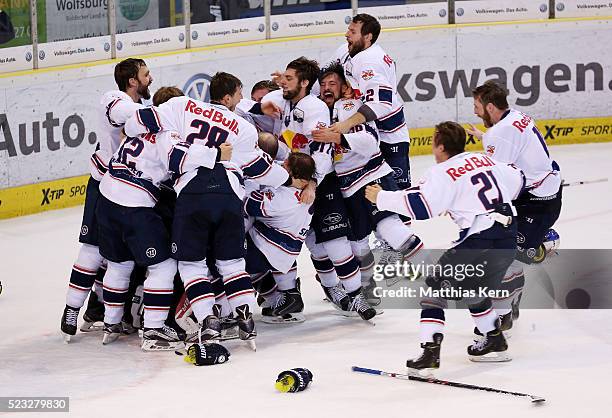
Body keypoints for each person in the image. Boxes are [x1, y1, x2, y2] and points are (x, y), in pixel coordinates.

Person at [123, 72, 289, 350]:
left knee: (191, 265)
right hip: (229, 192)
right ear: (230, 98)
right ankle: (245, 319)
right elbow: (260, 169)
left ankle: (208, 320)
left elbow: (134, 125)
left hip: (192, 194)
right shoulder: (242, 126)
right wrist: (290, 178)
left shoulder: (179, 106)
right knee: (233, 264)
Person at [365, 121, 525, 370]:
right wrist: (462, 199)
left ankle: (430, 351)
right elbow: (518, 180)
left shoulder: (441, 172)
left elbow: (421, 207)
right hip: (508, 234)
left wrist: (381, 197)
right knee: (473, 287)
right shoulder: (483, 159)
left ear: (440, 145)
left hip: (481, 237)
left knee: (433, 289)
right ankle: (494, 339)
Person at [254, 57, 372, 320]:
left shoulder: (314, 107)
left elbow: (322, 150)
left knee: (335, 242)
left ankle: (355, 295)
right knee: (309, 242)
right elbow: (266, 100)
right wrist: (275, 89)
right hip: (293, 181)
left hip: (318, 180)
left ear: (305, 83)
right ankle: (324, 290)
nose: (283, 83)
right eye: (282, 78)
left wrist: (313, 183)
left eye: (289, 79)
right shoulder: (286, 101)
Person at [313, 63, 423, 312]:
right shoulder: (318, 111)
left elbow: (370, 141)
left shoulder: (349, 107)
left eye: (332, 84)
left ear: (344, 87)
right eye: (323, 84)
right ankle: (367, 287)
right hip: (347, 188)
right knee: (358, 243)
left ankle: (431, 270)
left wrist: (339, 137)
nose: (326, 88)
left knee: (388, 226)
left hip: (370, 177)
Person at [61, 58, 153, 342]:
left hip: (131, 190)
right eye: (146, 75)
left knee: (119, 257)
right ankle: (72, 308)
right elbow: (124, 112)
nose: (151, 78)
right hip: (104, 187)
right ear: (132, 81)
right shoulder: (114, 98)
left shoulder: (145, 108)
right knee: (93, 251)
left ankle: (101, 310)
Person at [95, 87, 190, 349]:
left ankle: (111, 322)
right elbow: (179, 167)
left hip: (107, 195)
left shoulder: (138, 122)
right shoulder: (171, 133)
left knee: (118, 264)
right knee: (164, 266)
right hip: (134, 205)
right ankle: (154, 331)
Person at [468, 81, 562, 328]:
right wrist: (485, 136)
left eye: (477, 106)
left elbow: (496, 181)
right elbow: (511, 142)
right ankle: (511, 299)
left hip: (538, 202)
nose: (475, 112)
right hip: (537, 193)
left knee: (507, 256)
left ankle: (504, 314)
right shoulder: (515, 117)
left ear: (490, 107)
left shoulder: (500, 133)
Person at [244, 152, 315, 323]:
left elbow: (248, 204)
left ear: (295, 175)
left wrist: (247, 181)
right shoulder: (303, 188)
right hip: (286, 247)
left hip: (270, 248)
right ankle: (291, 300)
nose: (281, 167)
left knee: (236, 263)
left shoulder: (284, 198)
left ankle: (278, 300)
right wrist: (312, 184)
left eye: (285, 167)